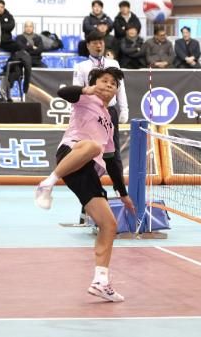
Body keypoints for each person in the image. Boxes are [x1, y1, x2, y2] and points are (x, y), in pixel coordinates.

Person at [34, 66, 135, 302]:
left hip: (88, 170)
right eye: (104, 80)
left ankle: (101, 281)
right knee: (92, 146)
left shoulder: (110, 119)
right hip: (71, 153)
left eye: (113, 83)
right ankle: (48, 183)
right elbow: (63, 93)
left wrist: (122, 193)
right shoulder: (85, 98)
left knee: (109, 225)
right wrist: (86, 89)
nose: (109, 85)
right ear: (94, 83)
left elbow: (112, 160)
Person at [73, 30, 129, 205]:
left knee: (113, 154)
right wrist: (76, 114)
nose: (98, 46)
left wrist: (124, 109)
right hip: (90, 113)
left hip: (110, 111)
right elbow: (76, 91)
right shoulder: (81, 66)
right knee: (90, 153)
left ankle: (120, 189)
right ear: (88, 45)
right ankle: (91, 193)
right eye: (95, 43)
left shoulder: (113, 63)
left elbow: (121, 88)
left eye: (101, 42)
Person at [0, 0, 32, 99]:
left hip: (7, 41)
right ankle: (11, 70)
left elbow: (11, 26)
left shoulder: (8, 15)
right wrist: (2, 26)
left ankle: (9, 68)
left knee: (19, 49)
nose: (0, 9)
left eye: (2, 7)